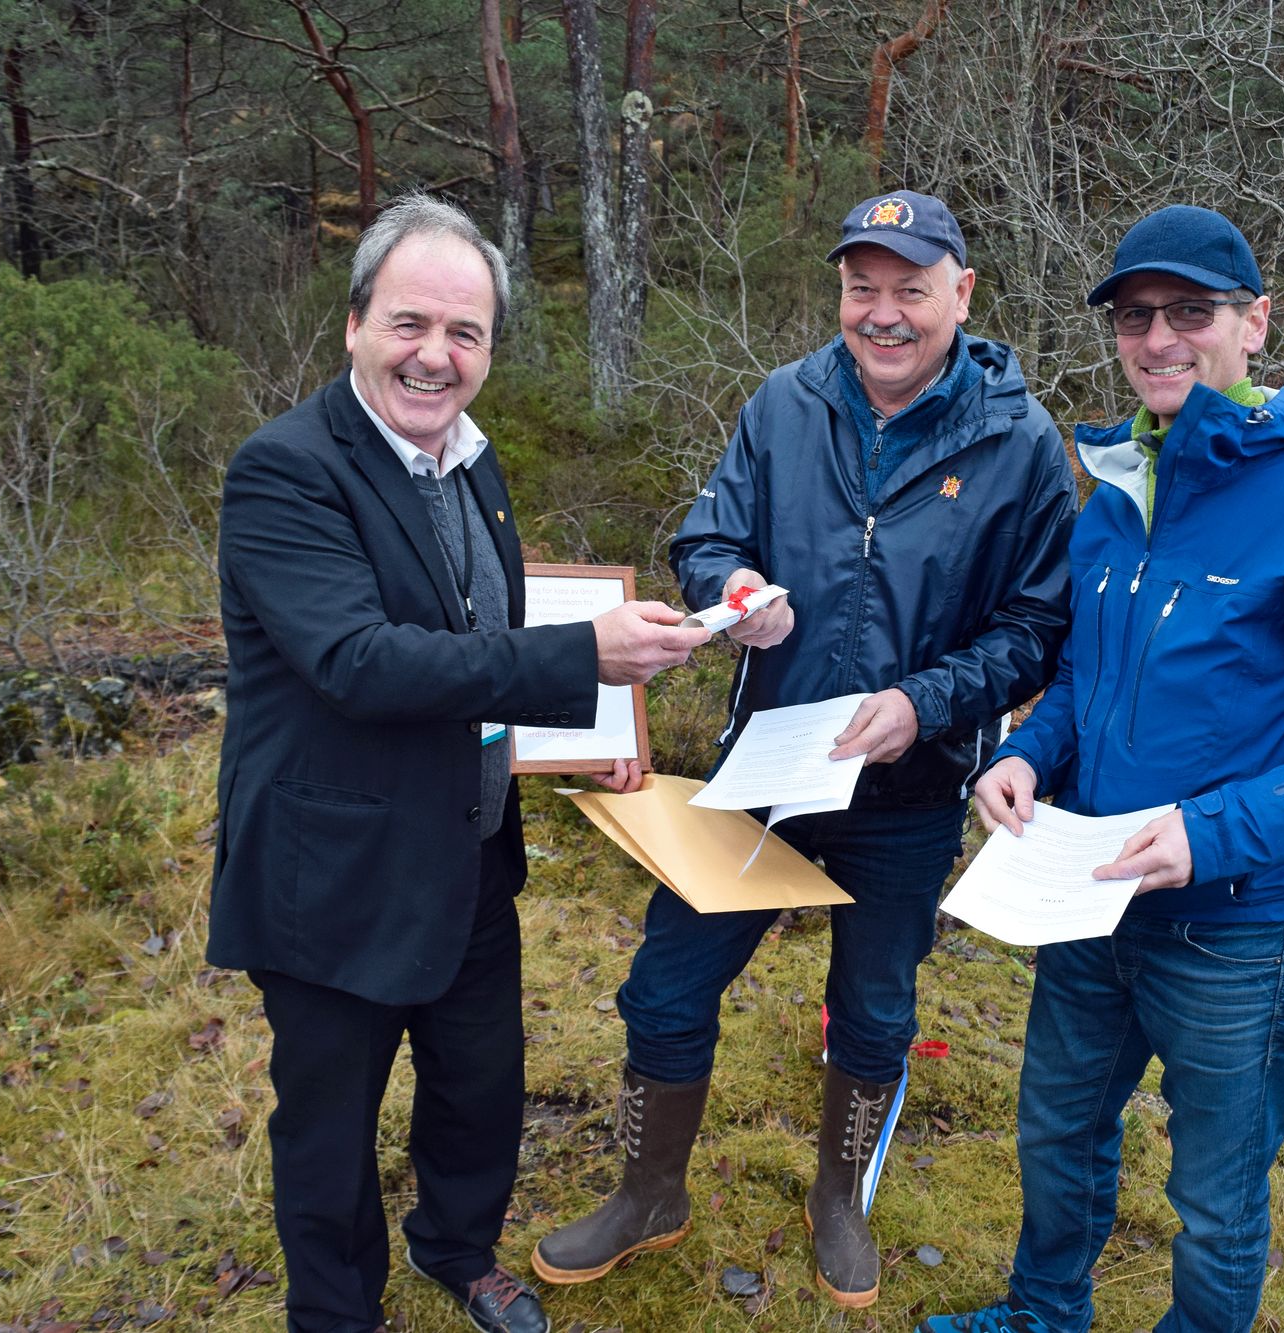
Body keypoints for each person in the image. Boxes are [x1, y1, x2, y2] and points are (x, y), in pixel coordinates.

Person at [530, 190, 1078, 1310]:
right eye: (859, 287)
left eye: (908, 289)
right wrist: (729, 590)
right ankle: (648, 1193)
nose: (880, 314)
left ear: (960, 294)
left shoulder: (1019, 444)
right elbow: (708, 531)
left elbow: (1034, 630)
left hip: (909, 788)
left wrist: (923, 702)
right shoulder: (785, 403)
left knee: (875, 1010)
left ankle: (839, 1198)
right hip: (763, 770)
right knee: (665, 986)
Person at [917, 205, 1284, 1333]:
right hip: (1083, 894)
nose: (1158, 338)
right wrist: (1022, 755)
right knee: (1056, 1130)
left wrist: (1212, 832)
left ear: (1253, 324)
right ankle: (1041, 1312)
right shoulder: (1116, 494)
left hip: (1239, 929)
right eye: (1134, 317)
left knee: (1212, 1196)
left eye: (1189, 313)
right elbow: (1079, 677)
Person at [207, 193, 710, 1333]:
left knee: (479, 1082)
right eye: (410, 323)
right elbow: (360, 662)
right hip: (333, 866)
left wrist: (589, 741)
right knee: (329, 1119)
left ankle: (458, 1248)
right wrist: (583, 655)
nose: (435, 355)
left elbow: (480, 639)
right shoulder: (284, 471)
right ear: (353, 325)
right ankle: (336, 1311)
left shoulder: (473, 465)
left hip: (472, 844)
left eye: (465, 333)